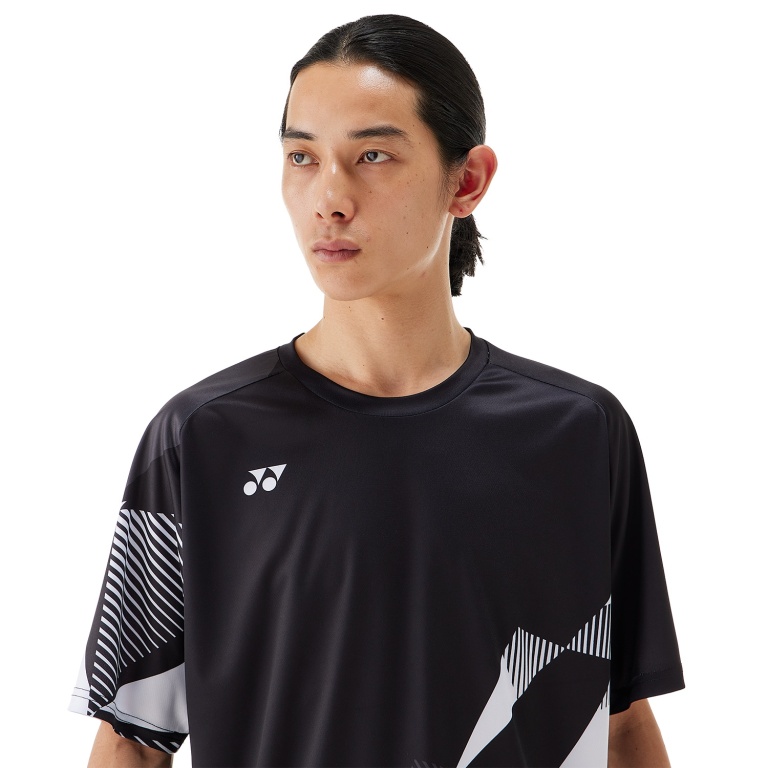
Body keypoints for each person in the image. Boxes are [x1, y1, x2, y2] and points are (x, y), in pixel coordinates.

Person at [70, 14, 684, 768]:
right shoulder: (200, 437)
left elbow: (621, 721)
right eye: (302, 156)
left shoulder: (580, 433)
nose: (329, 197)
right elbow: (133, 737)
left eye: (372, 155)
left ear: (467, 180)